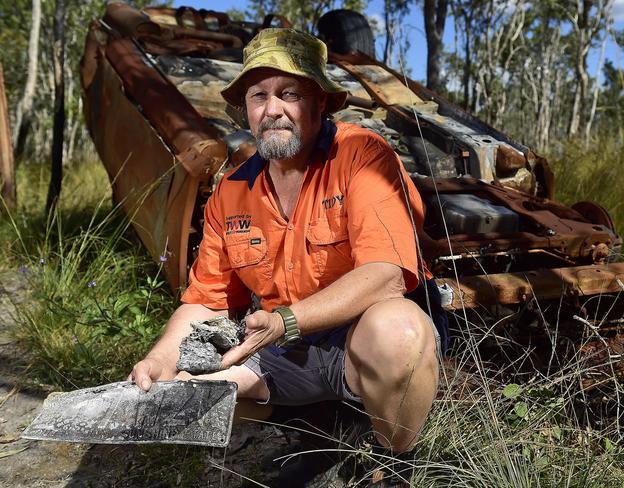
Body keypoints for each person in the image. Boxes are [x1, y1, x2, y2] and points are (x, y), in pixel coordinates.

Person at [129, 27, 440, 486]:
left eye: (289, 93)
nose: (272, 109)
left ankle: (394, 461)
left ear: (319, 104)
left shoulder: (361, 155)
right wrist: (160, 358)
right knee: (180, 393)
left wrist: (285, 321)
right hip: (285, 350)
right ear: (247, 110)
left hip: (358, 339)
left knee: (397, 332)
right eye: (259, 95)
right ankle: (322, 430)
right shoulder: (232, 189)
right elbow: (208, 299)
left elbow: (385, 276)